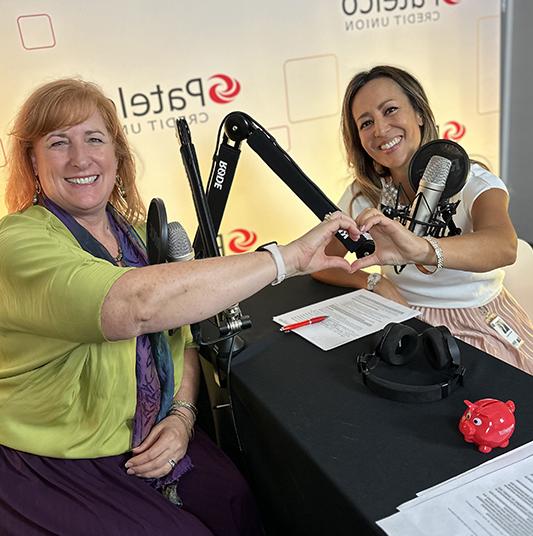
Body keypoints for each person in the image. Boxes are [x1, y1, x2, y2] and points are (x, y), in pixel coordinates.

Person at [0, 78, 363, 536]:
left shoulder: (133, 232)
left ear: (116, 154)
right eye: (58, 143)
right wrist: (284, 259)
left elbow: (183, 337)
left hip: (154, 434)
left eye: (94, 138)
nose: (80, 158)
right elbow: (135, 305)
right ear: (32, 161)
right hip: (57, 462)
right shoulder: (16, 242)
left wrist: (182, 417)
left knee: (236, 502)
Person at [312, 65, 533, 374]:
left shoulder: (473, 180)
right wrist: (374, 281)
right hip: (400, 316)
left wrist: (420, 249)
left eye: (390, 110)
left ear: (418, 113)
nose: (380, 129)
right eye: (366, 123)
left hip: (476, 319)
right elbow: (321, 259)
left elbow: (504, 246)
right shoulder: (363, 195)